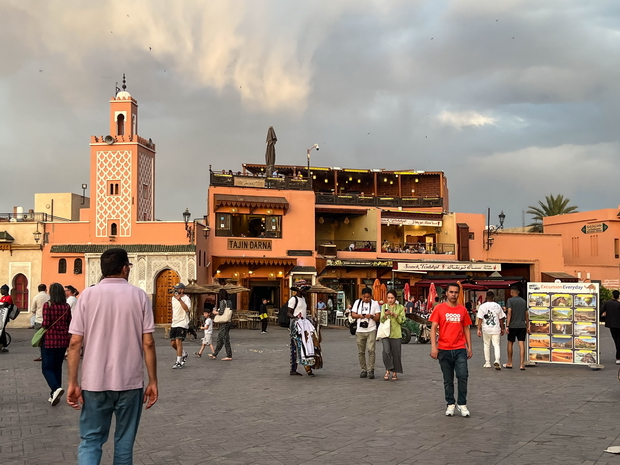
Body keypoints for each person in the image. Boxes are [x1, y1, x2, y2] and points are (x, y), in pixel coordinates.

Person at [67, 248, 158, 464]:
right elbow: (149, 343)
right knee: (124, 442)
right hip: (130, 382)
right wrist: (153, 380)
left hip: (94, 382)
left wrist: (72, 381)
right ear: (125, 268)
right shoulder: (139, 296)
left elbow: (74, 343)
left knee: (91, 440)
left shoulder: (87, 295)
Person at [429, 283, 472, 417]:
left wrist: (469, 347)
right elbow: (434, 328)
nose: (453, 295)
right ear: (446, 293)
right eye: (451, 292)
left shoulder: (462, 310)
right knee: (448, 379)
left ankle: (462, 403)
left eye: (456, 292)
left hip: (460, 348)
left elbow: (466, 328)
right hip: (444, 348)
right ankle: (450, 404)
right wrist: (433, 347)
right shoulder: (439, 309)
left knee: (463, 375)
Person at [41, 283, 72, 406]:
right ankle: (54, 393)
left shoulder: (47, 305)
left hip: (50, 340)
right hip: (62, 340)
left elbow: (46, 323)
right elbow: (70, 322)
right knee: (57, 367)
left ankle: (55, 388)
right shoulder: (66, 306)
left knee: (47, 368)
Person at [287, 279, 315, 376]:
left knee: (305, 346)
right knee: (296, 347)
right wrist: (296, 318)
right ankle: (294, 369)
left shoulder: (303, 299)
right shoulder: (293, 299)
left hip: (303, 325)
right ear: (299, 290)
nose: (305, 291)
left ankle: (308, 367)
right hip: (296, 326)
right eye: (304, 289)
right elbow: (289, 313)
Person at [351, 287, 380, 379]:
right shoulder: (357, 302)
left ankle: (371, 370)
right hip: (360, 330)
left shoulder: (375, 304)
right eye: (364, 297)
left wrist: (371, 316)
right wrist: (360, 316)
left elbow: (377, 318)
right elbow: (353, 314)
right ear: (361, 296)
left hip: (371, 329)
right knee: (361, 351)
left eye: (367, 297)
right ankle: (363, 370)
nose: (365, 299)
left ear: (371, 296)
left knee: (371, 350)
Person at [379, 289, 405, 381]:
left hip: (396, 333)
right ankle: (388, 369)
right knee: (386, 351)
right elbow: (381, 320)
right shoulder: (384, 306)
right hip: (386, 333)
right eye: (388, 298)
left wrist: (394, 314)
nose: (390, 300)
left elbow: (402, 320)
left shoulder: (400, 307)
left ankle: (395, 372)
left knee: (396, 354)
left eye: (392, 298)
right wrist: (385, 315)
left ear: (395, 298)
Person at [476, 291, 505, 370]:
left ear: (486, 298)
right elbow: (501, 318)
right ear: (493, 298)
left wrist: (479, 329)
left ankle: (487, 362)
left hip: (486, 329)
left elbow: (480, 319)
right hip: (496, 328)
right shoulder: (498, 306)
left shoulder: (482, 306)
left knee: (486, 345)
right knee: (496, 345)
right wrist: (502, 328)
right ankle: (497, 360)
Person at [505, 286, 529, 370]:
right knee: (521, 344)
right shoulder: (523, 301)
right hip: (522, 325)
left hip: (512, 325)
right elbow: (526, 314)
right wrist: (527, 326)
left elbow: (509, 312)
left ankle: (509, 362)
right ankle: (522, 364)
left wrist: (507, 325)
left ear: (511, 292)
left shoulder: (510, 300)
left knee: (510, 343)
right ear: (518, 292)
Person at [170, 283, 191, 369]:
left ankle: (178, 361)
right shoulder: (173, 298)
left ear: (182, 290)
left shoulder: (186, 299)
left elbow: (187, 310)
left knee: (179, 341)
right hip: (175, 322)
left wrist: (180, 300)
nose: (176, 290)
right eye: (175, 288)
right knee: (173, 343)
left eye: (178, 289)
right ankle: (183, 354)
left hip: (182, 322)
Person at [210, 289, 234, 361]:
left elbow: (221, 312)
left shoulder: (222, 301)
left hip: (224, 322)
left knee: (225, 338)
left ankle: (229, 355)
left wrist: (215, 312)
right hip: (228, 321)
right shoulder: (229, 302)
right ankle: (215, 354)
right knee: (220, 337)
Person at [31, 284, 50, 361]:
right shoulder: (49, 297)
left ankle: (42, 355)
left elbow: (32, 309)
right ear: (46, 289)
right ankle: (48, 354)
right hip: (48, 320)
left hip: (39, 320)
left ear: (38, 289)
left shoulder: (36, 297)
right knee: (47, 339)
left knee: (39, 339)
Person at [601, 290, 620, 364]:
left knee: (616, 340)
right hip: (619, 325)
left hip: (611, 325)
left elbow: (600, 312)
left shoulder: (607, 303)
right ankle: (618, 357)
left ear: (612, 295)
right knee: (619, 341)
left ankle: (618, 357)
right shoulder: (619, 304)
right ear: (618, 296)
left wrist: (603, 319)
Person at [0, 284, 13, 352]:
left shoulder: (8, 297)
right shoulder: (2, 298)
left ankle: (3, 345)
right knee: (1, 331)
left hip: (4, 317)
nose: (0, 291)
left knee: (1, 331)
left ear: (5, 290)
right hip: (0, 317)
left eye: (1, 290)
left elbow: (5, 305)